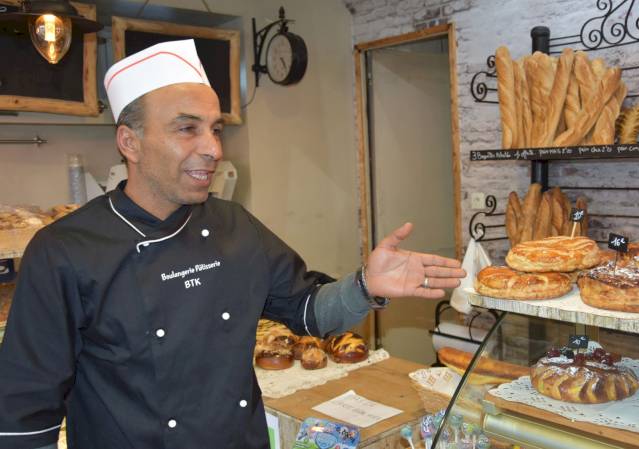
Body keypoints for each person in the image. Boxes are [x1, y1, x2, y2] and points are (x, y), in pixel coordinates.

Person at [0, 40, 465, 449]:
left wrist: (364, 286)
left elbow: (306, 308)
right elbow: (24, 415)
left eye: (215, 129)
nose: (214, 149)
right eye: (188, 129)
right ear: (130, 142)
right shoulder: (64, 250)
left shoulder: (233, 225)